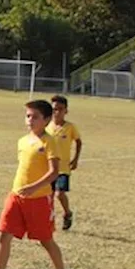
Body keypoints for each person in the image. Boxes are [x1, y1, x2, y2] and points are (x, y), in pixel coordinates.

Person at [0, 100, 73, 269]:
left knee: (45, 239)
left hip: (39, 200)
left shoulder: (49, 142)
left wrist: (34, 187)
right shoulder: (22, 141)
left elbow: (54, 172)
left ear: (46, 120)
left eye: (35, 116)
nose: (30, 120)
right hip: (16, 195)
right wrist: (22, 189)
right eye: (28, 116)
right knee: (4, 234)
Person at [46, 95, 82, 230]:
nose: (57, 112)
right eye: (54, 109)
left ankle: (67, 213)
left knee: (59, 193)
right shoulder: (47, 126)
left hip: (63, 168)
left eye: (60, 109)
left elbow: (78, 141)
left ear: (66, 111)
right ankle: (49, 220)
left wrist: (75, 159)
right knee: (48, 195)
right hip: (48, 168)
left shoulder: (70, 127)